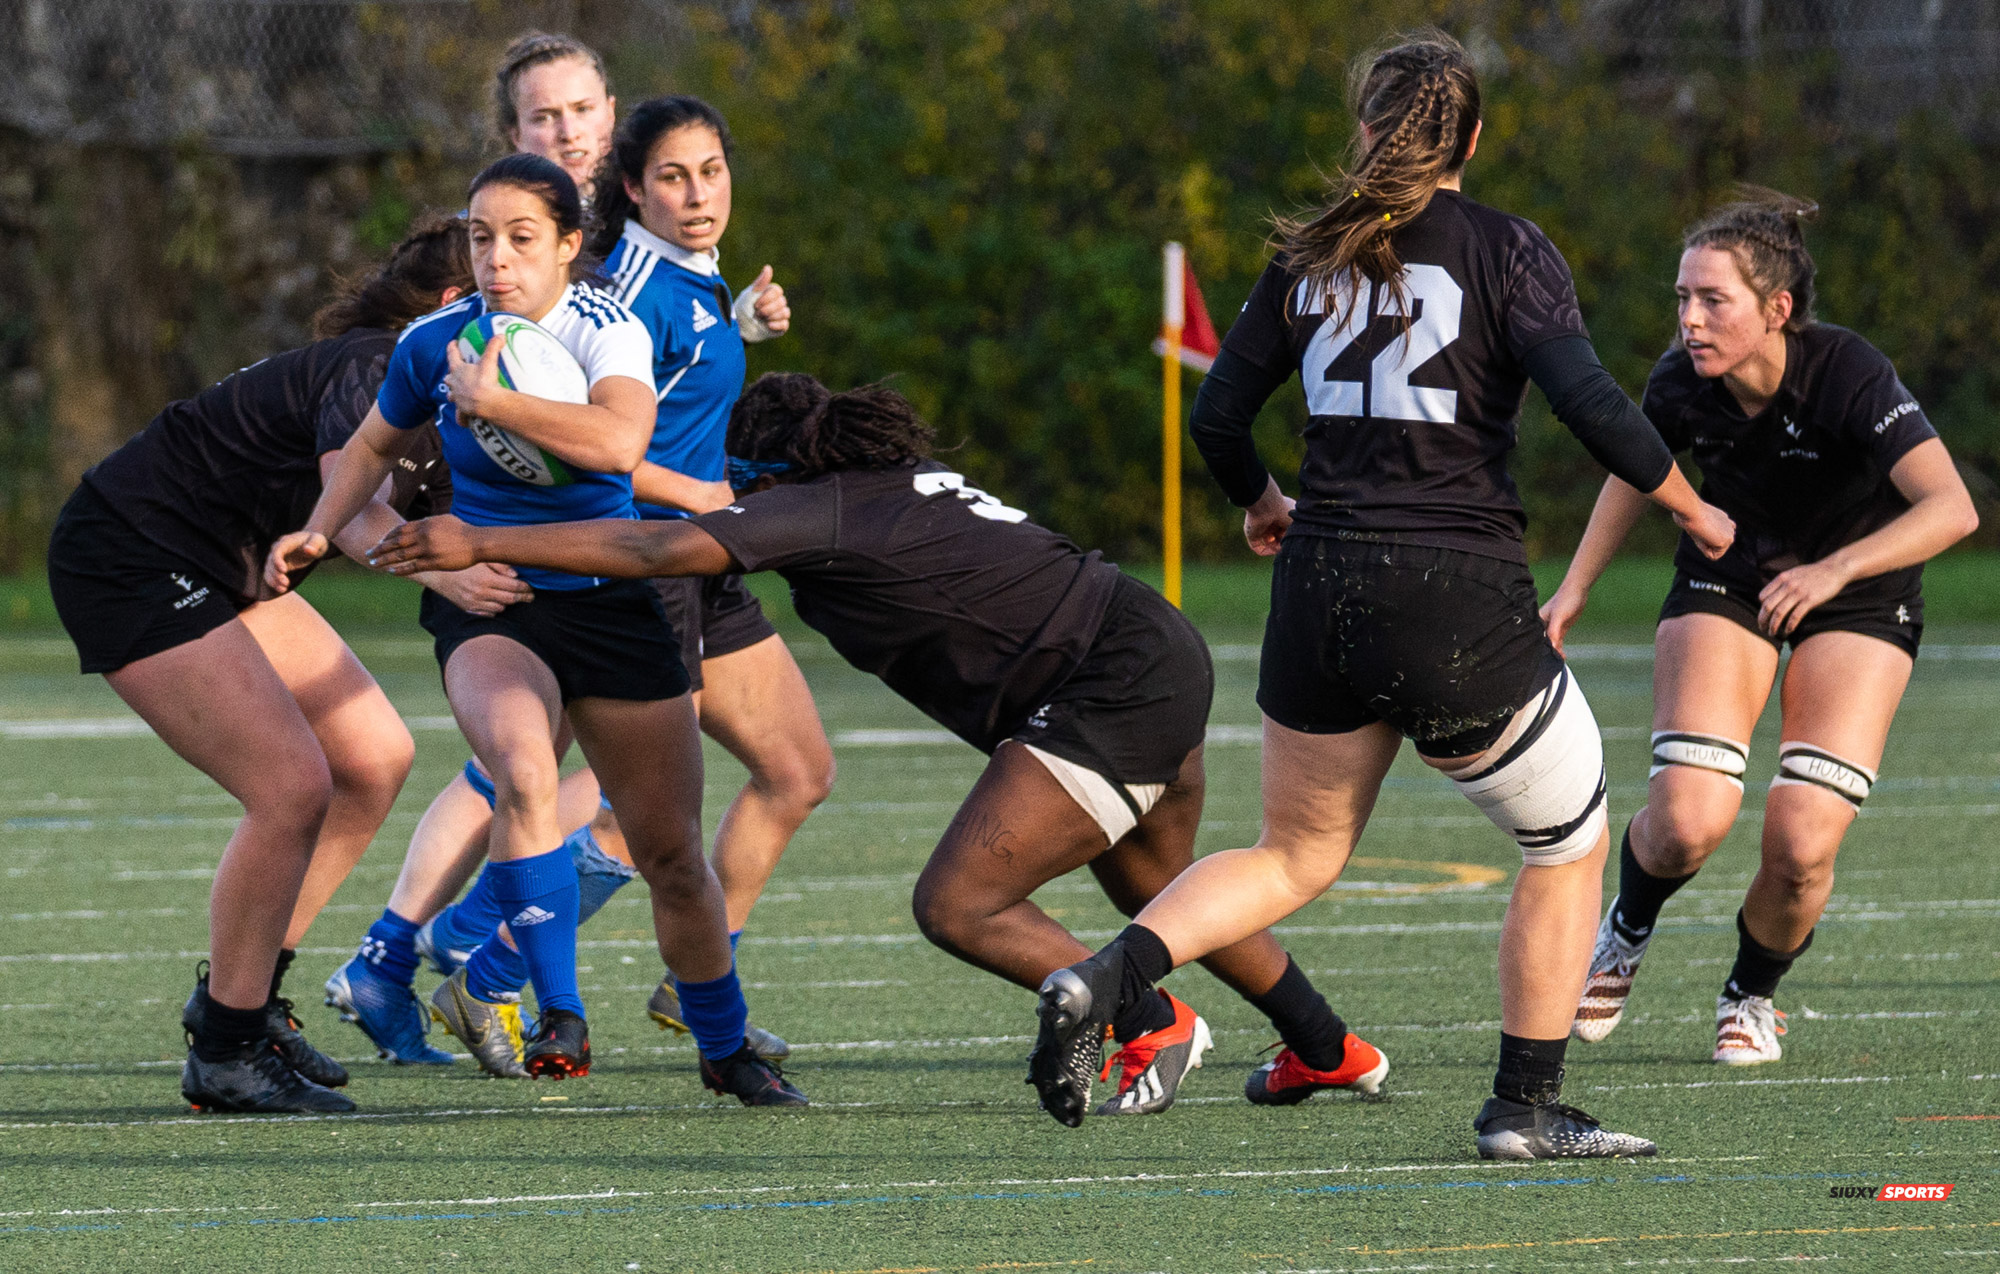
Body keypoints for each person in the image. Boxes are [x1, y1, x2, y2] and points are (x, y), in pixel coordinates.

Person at [1019, 31, 1737, 1155]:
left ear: (1363, 129)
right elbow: (1590, 403)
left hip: (1319, 585)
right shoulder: (1506, 247)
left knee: (1292, 854)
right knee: (1567, 842)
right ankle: (1524, 1105)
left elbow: (1218, 416)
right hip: (1450, 586)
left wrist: (1262, 500)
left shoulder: (1311, 248)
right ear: (1473, 138)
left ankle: (1109, 973)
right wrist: (1692, 508)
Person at [369, 373, 1387, 1119]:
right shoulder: (880, 479)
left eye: (746, 482)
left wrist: (480, 537)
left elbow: (657, 545)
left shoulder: (819, 508)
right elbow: (701, 511)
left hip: (1104, 685)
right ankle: (1326, 1046)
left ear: (775, 474)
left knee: (957, 903)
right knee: (1157, 887)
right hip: (1143, 643)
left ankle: (1148, 1019)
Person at [269, 154, 804, 1105]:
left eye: (522, 238)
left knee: (671, 854)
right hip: (494, 603)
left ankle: (725, 1048)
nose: (497, 259)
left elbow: (619, 444)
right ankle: (560, 1011)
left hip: (609, 600)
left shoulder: (608, 325)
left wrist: (495, 402)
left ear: (567, 245)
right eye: (482, 238)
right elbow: (371, 446)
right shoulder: (435, 341)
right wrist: (318, 529)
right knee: (521, 772)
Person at [44, 213, 526, 1112]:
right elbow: (353, 507)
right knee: (291, 786)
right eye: (505, 276)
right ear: (455, 304)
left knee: (373, 758)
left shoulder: (479, 394)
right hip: (132, 550)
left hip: (222, 558)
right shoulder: (381, 362)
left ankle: (248, 999)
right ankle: (225, 1051)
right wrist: (452, 576)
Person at [1548, 189, 1978, 1064]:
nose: (1690, 320)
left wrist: (1834, 570)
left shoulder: (1848, 372)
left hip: (1858, 591)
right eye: (1682, 298)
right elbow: (1635, 473)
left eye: (1714, 300)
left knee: (1802, 843)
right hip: (1732, 577)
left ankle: (1751, 993)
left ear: (1777, 310)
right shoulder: (1680, 380)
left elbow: (1952, 507)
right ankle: (1625, 929)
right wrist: (1574, 588)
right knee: (1687, 820)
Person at [589, 93, 831, 1044]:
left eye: (712, 172)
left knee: (796, 769)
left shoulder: (691, 273)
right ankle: (485, 964)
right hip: (647, 558)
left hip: (703, 555)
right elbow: (592, 444)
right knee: (643, 816)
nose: (698, 195)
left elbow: (679, 388)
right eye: (673, 178)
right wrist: (694, 493)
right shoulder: (631, 290)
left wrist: (739, 326)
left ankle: (697, 980)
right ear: (632, 189)